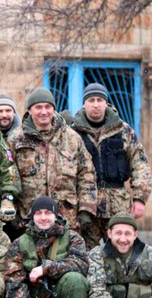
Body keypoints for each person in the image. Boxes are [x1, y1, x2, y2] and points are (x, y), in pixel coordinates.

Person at [71, 83, 152, 248]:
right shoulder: (73, 133)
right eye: (91, 100)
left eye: (99, 100)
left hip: (118, 207)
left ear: (106, 103)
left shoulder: (123, 130)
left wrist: (140, 199)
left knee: (120, 251)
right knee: (86, 253)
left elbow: (140, 164)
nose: (95, 104)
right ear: (84, 104)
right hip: (87, 208)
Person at [7, 86, 97, 234]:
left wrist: (86, 210)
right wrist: (13, 211)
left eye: (48, 107)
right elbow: (8, 176)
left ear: (54, 109)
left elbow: (87, 174)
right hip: (28, 221)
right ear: (29, 110)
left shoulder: (72, 138)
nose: (44, 112)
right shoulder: (16, 139)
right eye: (38, 107)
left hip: (67, 221)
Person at [1, 196, 89, 298]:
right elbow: (13, 282)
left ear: (56, 215)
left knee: (75, 280)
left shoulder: (72, 237)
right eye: (38, 213)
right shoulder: (20, 243)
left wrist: (46, 269)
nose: (43, 217)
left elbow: (81, 264)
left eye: (48, 213)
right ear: (32, 216)